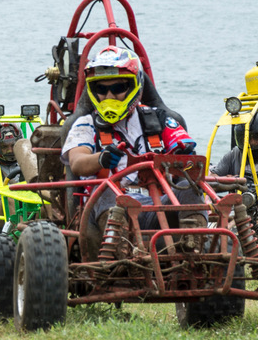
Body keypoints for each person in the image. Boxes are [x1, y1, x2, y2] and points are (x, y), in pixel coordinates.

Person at [61, 45, 203, 252]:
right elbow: (77, 162)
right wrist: (100, 159)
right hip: (107, 209)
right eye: (101, 89)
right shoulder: (85, 123)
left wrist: (184, 160)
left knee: (193, 186)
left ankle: (195, 249)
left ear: (134, 85)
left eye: (118, 88)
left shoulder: (159, 119)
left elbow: (191, 159)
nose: (109, 95)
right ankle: (121, 253)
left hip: (158, 205)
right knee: (108, 191)